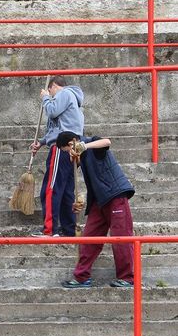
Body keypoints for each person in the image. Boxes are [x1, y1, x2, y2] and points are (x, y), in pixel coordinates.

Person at [56, 131, 135, 288]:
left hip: (115, 195)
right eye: (67, 153)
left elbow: (107, 141)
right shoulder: (81, 159)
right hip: (98, 202)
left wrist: (84, 146)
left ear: (73, 142)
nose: (70, 154)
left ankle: (127, 278)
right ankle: (82, 277)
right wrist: (79, 201)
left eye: (69, 149)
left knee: (121, 238)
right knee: (89, 239)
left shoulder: (92, 143)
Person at [30, 76, 84, 237]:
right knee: (67, 190)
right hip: (71, 147)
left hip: (62, 147)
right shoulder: (71, 99)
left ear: (54, 86)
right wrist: (42, 142)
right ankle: (68, 229)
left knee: (51, 188)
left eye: (51, 90)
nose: (51, 95)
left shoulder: (63, 94)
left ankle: (49, 229)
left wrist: (45, 97)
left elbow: (52, 111)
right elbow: (57, 126)